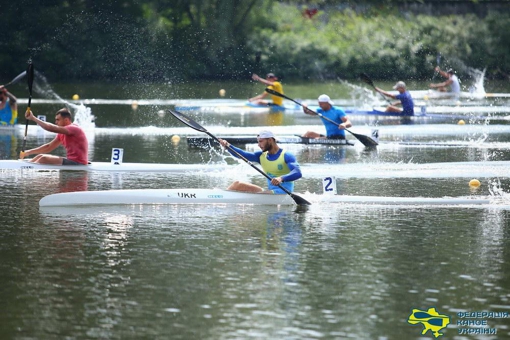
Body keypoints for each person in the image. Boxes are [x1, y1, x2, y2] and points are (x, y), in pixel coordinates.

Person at [218, 130, 302, 194]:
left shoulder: (286, 155)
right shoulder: (261, 156)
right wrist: (228, 146)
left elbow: (297, 172)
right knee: (237, 184)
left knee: (264, 194)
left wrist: (281, 178)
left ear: (269, 140)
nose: (258, 144)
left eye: (261, 141)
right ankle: (221, 197)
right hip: (270, 192)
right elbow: (242, 154)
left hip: (284, 192)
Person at [20, 108, 88, 165]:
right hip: (71, 161)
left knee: (44, 159)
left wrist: (33, 118)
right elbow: (48, 147)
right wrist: (28, 152)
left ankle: (28, 171)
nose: (56, 122)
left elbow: (51, 128)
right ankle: (24, 166)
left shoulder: (73, 128)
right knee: (40, 156)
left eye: (58, 120)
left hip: (79, 163)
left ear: (66, 120)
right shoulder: (62, 133)